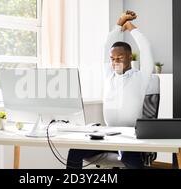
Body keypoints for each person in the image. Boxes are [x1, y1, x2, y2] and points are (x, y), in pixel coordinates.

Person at [66, 10, 155, 169]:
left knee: (129, 158)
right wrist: (119, 25)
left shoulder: (140, 77)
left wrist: (130, 27)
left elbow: (146, 48)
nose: (115, 62)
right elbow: (105, 46)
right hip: (108, 135)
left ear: (130, 57)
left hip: (130, 136)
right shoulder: (109, 75)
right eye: (112, 59)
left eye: (120, 58)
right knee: (75, 151)